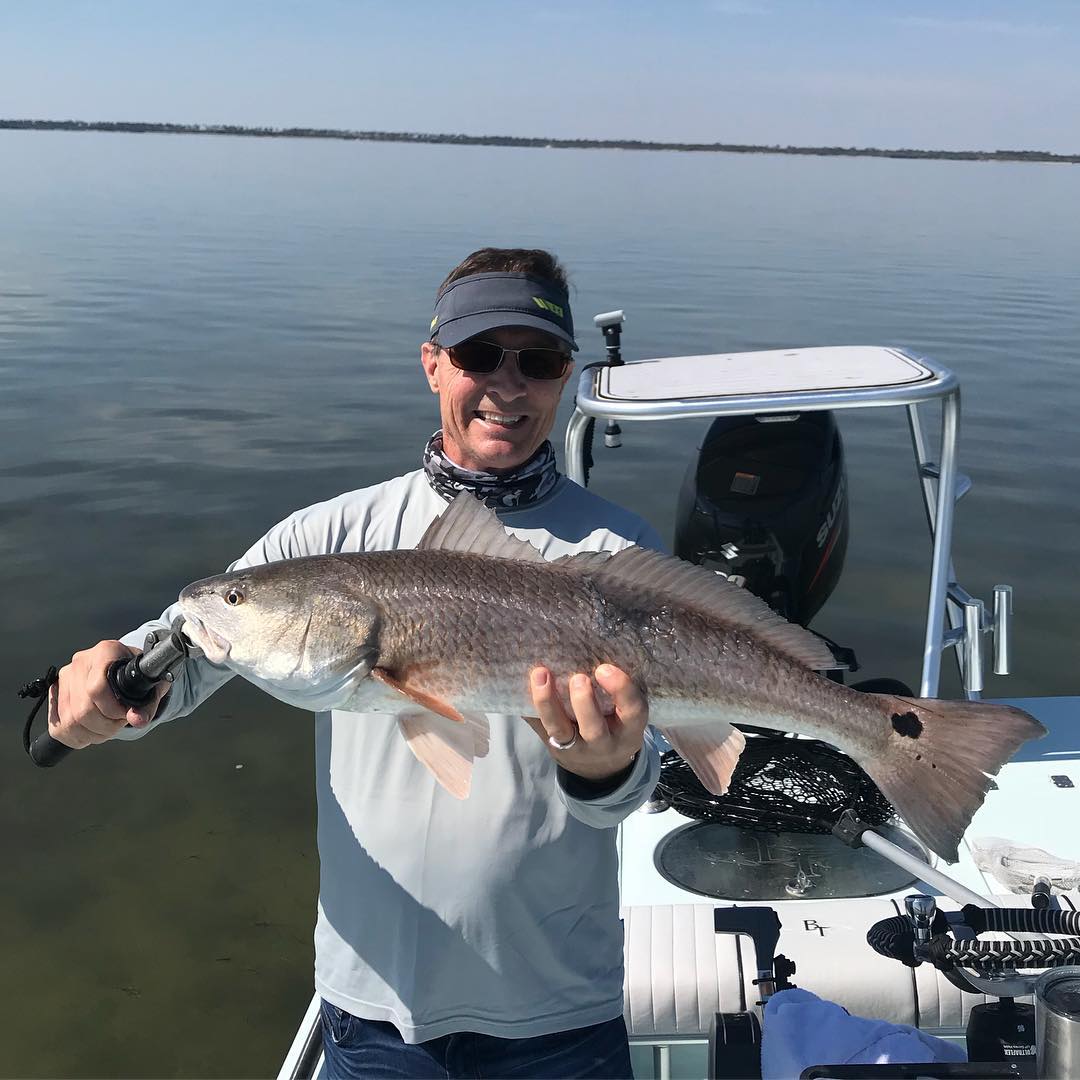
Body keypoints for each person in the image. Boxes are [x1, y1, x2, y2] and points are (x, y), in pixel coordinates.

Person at [48, 248, 665, 1079]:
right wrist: (97, 692)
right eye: (481, 356)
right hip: (373, 1013)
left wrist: (605, 768)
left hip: (556, 1013)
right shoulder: (324, 539)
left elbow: (632, 790)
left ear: (566, 377)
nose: (509, 386)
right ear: (433, 363)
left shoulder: (617, 554)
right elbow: (177, 661)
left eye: (541, 361)